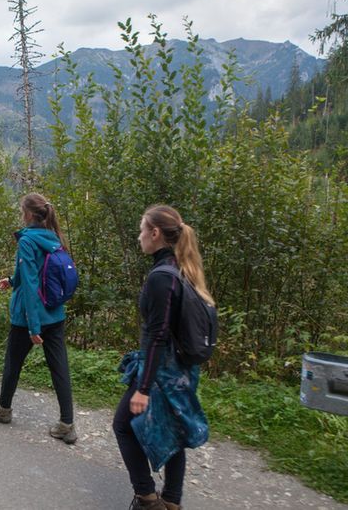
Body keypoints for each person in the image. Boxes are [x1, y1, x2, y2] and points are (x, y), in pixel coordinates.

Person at [113, 205, 212, 510]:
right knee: (175, 432)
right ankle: (171, 501)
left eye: (142, 229)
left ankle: (147, 498)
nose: (139, 236)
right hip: (182, 369)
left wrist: (142, 388)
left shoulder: (161, 276)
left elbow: (158, 335)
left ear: (155, 233)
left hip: (162, 371)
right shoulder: (183, 270)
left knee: (123, 425)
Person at [0, 193, 77, 444]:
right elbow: (36, 273)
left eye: (22, 210)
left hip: (29, 318)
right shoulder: (53, 237)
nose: (20, 214)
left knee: (13, 362)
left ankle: (3, 410)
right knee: (60, 368)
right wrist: (13, 281)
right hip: (55, 314)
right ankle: (67, 424)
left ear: (29, 214)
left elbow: (33, 284)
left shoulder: (27, 240)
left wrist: (34, 327)